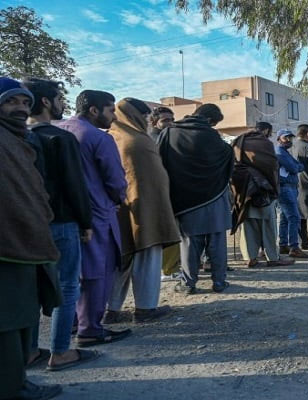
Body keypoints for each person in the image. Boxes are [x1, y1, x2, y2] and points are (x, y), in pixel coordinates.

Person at [24, 77, 101, 371]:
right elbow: (74, 184)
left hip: (30, 225)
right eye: (58, 98)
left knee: (31, 289)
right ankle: (60, 352)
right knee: (68, 286)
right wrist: (86, 221)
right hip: (63, 222)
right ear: (45, 101)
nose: (61, 104)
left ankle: (30, 350)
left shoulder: (19, 136)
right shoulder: (60, 138)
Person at [0, 77, 63, 399]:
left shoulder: (19, 140)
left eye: (25, 102)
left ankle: (19, 380)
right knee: (8, 322)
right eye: (12, 102)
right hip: (7, 248)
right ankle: (12, 388)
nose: (20, 109)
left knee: (24, 317)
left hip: (26, 240)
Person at [58, 90, 133, 347]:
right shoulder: (99, 138)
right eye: (111, 110)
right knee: (97, 271)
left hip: (63, 213)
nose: (113, 116)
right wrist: (120, 198)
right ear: (94, 110)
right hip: (97, 212)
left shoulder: (58, 128)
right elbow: (114, 179)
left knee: (71, 271)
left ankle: (70, 321)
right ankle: (90, 328)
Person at [104, 98, 181, 323]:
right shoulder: (138, 140)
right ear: (134, 115)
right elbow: (150, 180)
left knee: (122, 260)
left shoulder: (112, 136)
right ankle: (146, 308)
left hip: (120, 208)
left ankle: (112, 310)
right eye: (145, 116)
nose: (147, 120)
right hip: (145, 208)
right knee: (149, 255)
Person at [158, 104, 233, 294]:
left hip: (184, 198)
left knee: (189, 243)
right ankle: (219, 282)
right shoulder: (213, 138)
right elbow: (229, 158)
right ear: (209, 120)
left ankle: (188, 284)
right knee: (217, 242)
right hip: (214, 197)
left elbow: (160, 162)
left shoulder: (169, 133)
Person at [232, 122, 295, 267]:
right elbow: (271, 166)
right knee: (268, 225)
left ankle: (250, 257)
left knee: (247, 225)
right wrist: (274, 187)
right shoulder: (264, 143)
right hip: (263, 189)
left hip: (244, 189)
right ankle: (272, 257)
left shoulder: (238, 141)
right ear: (266, 130)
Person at [275, 128, 308, 258]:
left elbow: (299, 166)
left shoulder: (285, 152)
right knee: (294, 217)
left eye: (290, 138)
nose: (288, 140)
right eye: (286, 138)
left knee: (285, 217)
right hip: (285, 187)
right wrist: (296, 167)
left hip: (289, 186)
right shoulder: (280, 152)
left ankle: (284, 244)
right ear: (279, 139)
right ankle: (294, 246)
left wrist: (296, 167)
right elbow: (294, 167)